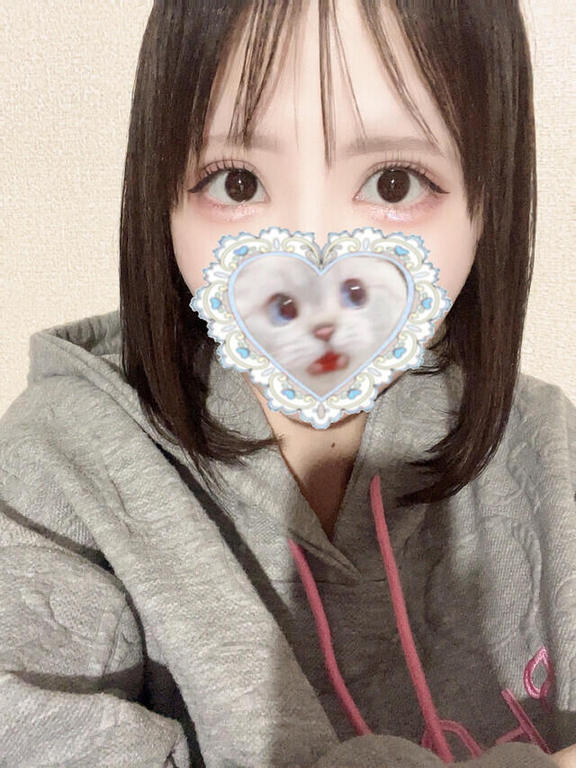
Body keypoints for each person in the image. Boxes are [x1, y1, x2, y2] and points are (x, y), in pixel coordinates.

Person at [0, 0, 574, 766]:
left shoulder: (549, 454)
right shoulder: (57, 469)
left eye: (395, 183)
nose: (313, 255)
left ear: (489, 203)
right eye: (237, 183)